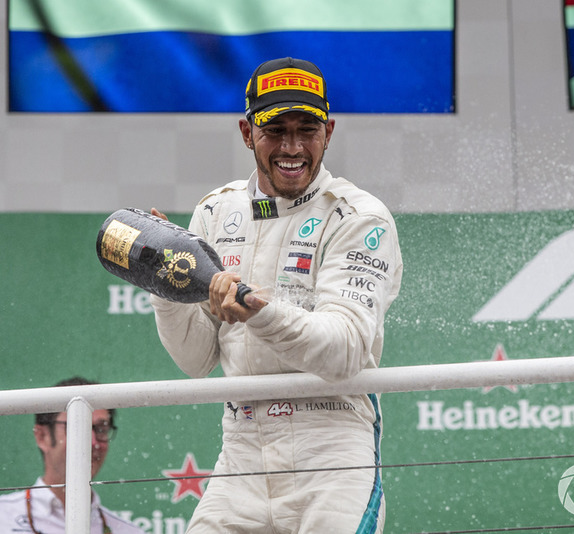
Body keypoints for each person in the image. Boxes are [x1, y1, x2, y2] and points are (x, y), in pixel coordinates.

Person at [150, 57, 403, 533]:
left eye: (306, 129)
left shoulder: (359, 216)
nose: (292, 147)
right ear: (247, 133)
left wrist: (255, 309)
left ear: (328, 132)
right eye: (274, 130)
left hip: (331, 447)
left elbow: (345, 350)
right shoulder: (214, 210)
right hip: (241, 447)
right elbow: (196, 360)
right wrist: (163, 289)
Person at [0, 376, 144, 533]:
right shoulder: (3, 517)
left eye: (101, 429)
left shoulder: (128, 531)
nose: (92, 442)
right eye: (77, 427)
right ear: (42, 437)